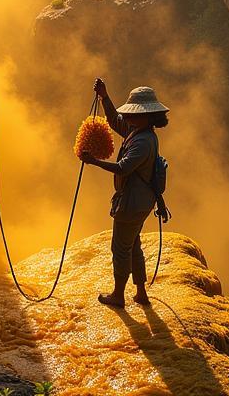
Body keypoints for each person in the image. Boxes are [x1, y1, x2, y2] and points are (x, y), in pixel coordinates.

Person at [79, 78, 171, 308]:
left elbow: (123, 168)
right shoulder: (137, 131)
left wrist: (94, 161)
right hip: (142, 202)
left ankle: (118, 295)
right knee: (134, 244)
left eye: (133, 114)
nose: (128, 117)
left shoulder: (143, 142)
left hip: (132, 203)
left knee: (120, 248)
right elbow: (114, 121)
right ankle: (141, 292)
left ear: (147, 116)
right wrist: (105, 96)